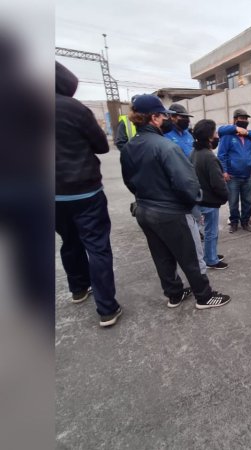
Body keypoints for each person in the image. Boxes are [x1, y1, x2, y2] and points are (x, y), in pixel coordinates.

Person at [120, 94, 230, 310]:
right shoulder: (166, 147)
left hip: (144, 210)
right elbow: (187, 185)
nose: (168, 119)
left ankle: (174, 294)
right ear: (154, 118)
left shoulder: (130, 147)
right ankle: (204, 296)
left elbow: (129, 182)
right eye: (164, 115)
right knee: (191, 256)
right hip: (171, 212)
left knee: (162, 256)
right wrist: (194, 202)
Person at [55, 61, 122, 327]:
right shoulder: (73, 108)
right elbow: (100, 146)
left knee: (68, 240)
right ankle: (107, 308)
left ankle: (78, 289)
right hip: (84, 190)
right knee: (97, 246)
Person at [190, 119, 229, 269]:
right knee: (211, 232)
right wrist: (225, 196)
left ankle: (209, 254)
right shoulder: (209, 156)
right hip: (209, 201)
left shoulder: (194, 152)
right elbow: (217, 184)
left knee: (206, 231)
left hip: (198, 199)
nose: (217, 135)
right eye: (215, 132)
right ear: (209, 136)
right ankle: (211, 259)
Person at [218, 108, 251, 233]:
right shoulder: (227, 136)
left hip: (248, 176)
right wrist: (224, 171)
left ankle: (245, 221)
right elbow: (222, 155)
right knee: (233, 202)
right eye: (242, 118)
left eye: (246, 119)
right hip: (232, 176)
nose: (244, 121)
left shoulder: (250, 137)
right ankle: (234, 222)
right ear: (235, 120)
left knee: (248, 201)